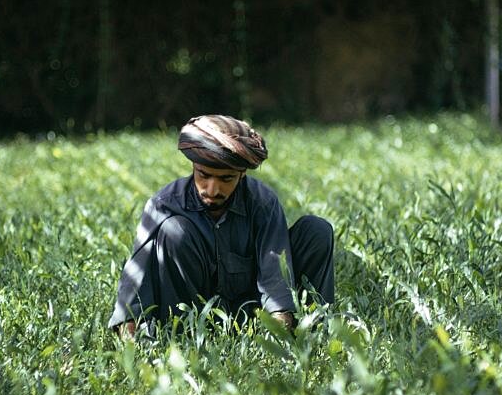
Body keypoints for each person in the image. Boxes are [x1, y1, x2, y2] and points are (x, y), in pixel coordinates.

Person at [110, 114, 334, 338]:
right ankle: (181, 333)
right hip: (188, 312)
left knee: (317, 230)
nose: (212, 189)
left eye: (226, 179)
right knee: (173, 230)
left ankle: (313, 328)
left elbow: (275, 268)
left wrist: (279, 329)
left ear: (242, 174)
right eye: (204, 175)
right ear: (193, 166)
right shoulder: (165, 204)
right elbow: (137, 272)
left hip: (251, 311)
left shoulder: (263, 203)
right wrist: (129, 326)